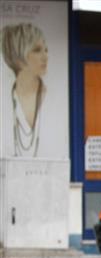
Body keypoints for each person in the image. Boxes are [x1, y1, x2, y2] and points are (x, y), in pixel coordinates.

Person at [1, 23, 47, 157]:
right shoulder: (6, 100)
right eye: (37, 50)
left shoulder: (52, 100)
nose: (45, 56)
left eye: (46, 50)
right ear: (19, 55)